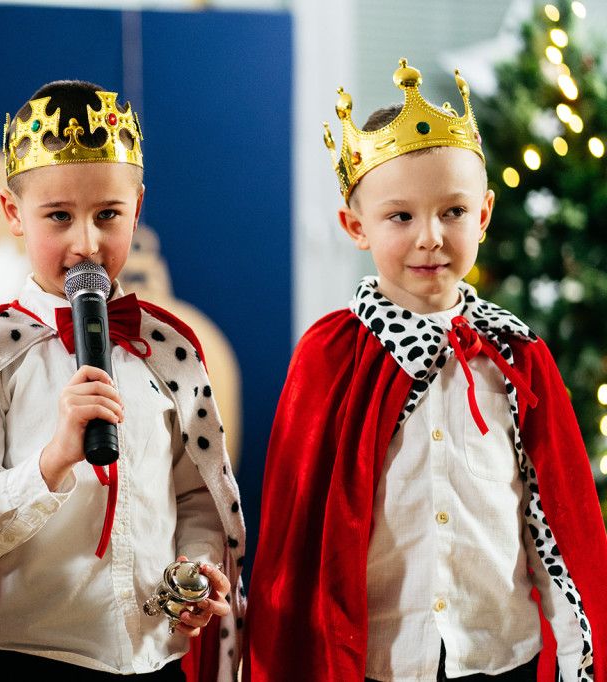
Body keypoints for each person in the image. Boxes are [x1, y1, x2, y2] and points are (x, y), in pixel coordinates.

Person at [243, 59, 607, 682]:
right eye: (401, 216)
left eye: (453, 211)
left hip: (501, 656)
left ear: (484, 215)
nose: (431, 237)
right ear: (355, 226)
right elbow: (297, 542)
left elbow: (555, 521)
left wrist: (579, 657)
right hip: (379, 662)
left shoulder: (516, 357)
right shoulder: (330, 357)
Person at [0, 80, 246, 682]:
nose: (86, 243)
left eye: (107, 215)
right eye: (58, 216)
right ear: (13, 214)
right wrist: (53, 460)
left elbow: (197, 496)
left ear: (137, 209)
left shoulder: (169, 349)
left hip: (155, 659)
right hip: (31, 661)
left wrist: (198, 568)